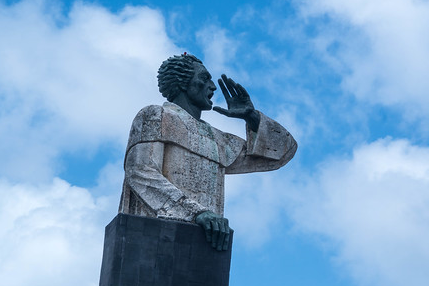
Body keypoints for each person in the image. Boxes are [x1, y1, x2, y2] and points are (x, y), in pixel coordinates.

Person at [119, 54, 297, 251]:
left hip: (206, 240)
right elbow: (140, 171)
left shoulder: (218, 140)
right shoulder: (155, 115)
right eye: (204, 78)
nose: (212, 86)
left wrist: (252, 117)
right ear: (182, 82)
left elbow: (280, 154)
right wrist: (196, 213)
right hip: (153, 237)